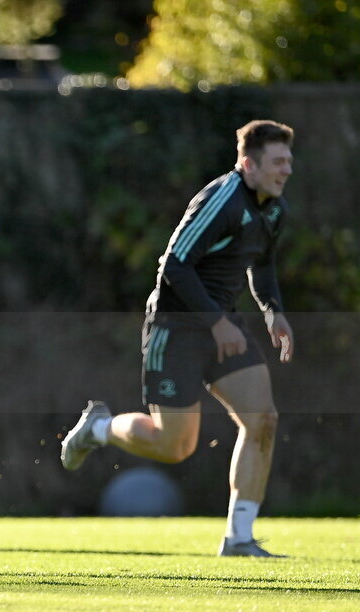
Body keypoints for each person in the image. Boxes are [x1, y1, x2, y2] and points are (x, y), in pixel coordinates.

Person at [61, 120, 295, 557]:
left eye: (288, 161)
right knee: (176, 446)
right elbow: (174, 265)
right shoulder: (221, 198)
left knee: (263, 419)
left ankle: (239, 538)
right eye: (277, 162)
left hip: (221, 323)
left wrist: (273, 312)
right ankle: (100, 426)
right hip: (177, 328)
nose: (286, 170)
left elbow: (262, 267)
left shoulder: (274, 209)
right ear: (248, 164)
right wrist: (215, 322)